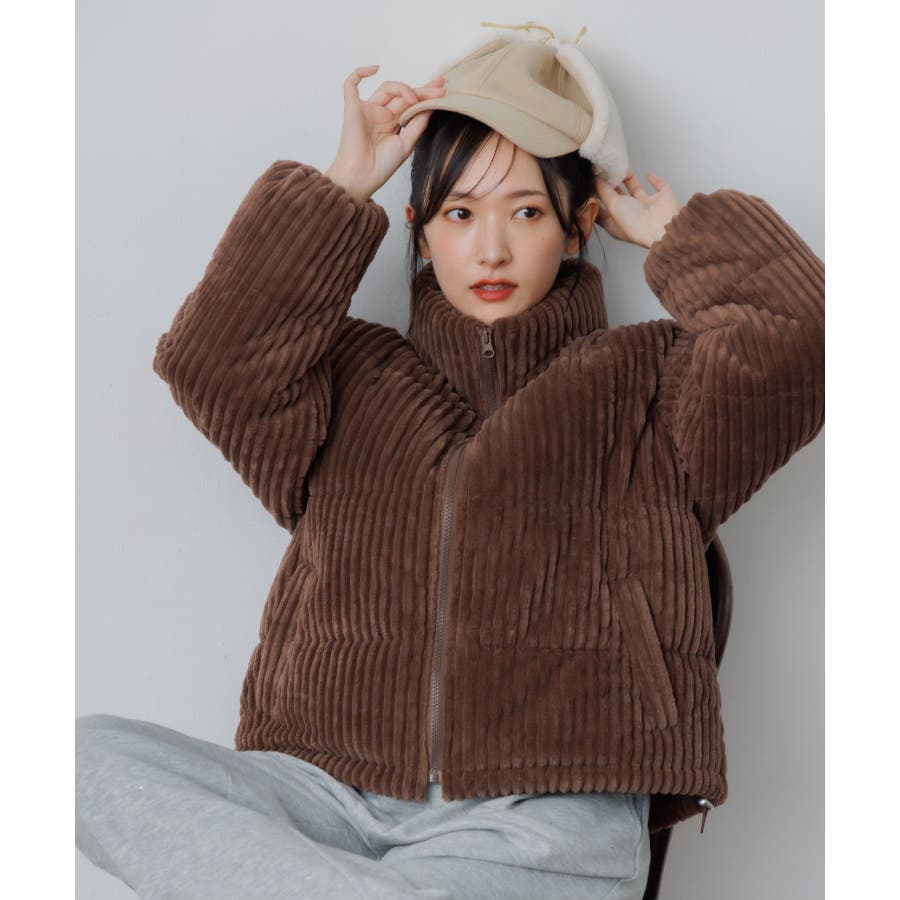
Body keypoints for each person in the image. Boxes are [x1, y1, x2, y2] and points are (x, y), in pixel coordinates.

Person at [76, 21, 825, 900]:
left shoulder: (661, 388)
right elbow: (210, 363)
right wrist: (341, 186)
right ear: (421, 232)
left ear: (579, 226)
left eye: (527, 211)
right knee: (78, 759)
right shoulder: (342, 378)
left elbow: (803, 341)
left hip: (545, 816)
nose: (491, 248)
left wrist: (675, 236)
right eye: (459, 213)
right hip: (329, 796)